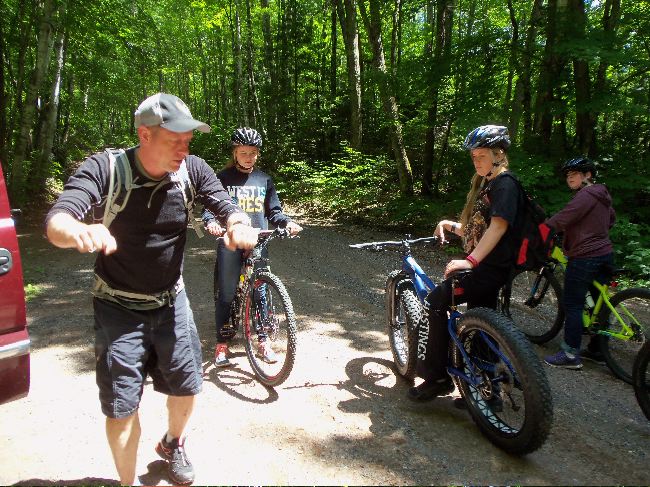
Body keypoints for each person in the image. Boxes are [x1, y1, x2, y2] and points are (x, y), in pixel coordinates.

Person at [45, 93, 259, 486]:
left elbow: (224, 205)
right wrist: (76, 230)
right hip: (117, 308)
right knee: (122, 408)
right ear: (145, 135)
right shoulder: (106, 168)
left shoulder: (192, 169)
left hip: (171, 300)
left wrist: (238, 224)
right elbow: (59, 219)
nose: (184, 149)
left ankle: (173, 444)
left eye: (188, 140)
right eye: (175, 139)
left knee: (188, 386)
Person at [409, 125, 524, 401]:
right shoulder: (490, 184)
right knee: (481, 324)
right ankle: (487, 392)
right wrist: (448, 224)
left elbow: (498, 227)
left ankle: (437, 378)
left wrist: (470, 261)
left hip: (487, 270)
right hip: (488, 269)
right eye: (473, 156)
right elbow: (477, 230)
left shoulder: (505, 184)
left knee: (434, 302)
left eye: (481, 155)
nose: (476, 161)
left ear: (499, 154)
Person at [202, 127, 302, 367]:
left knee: (260, 292)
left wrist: (287, 222)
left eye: (253, 153)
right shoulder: (223, 178)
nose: (249, 157)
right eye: (243, 152)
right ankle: (222, 344)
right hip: (230, 241)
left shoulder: (264, 179)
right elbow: (210, 207)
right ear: (235, 153)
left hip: (258, 241)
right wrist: (211, 222)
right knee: (227, 293)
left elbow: (274, 212)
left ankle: (263, 340)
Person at [543, 157, 616, 369]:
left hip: (585, 256)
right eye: (568, 175)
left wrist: (544, 229)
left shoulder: (586, 194)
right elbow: (611, 219)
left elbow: (565, 216)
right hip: (605, 253)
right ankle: (597, 349)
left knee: (573, 304)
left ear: (588, 175)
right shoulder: (602, 195)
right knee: (597, 303)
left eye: (574, 173)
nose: (569, 178)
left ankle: (570, 354)